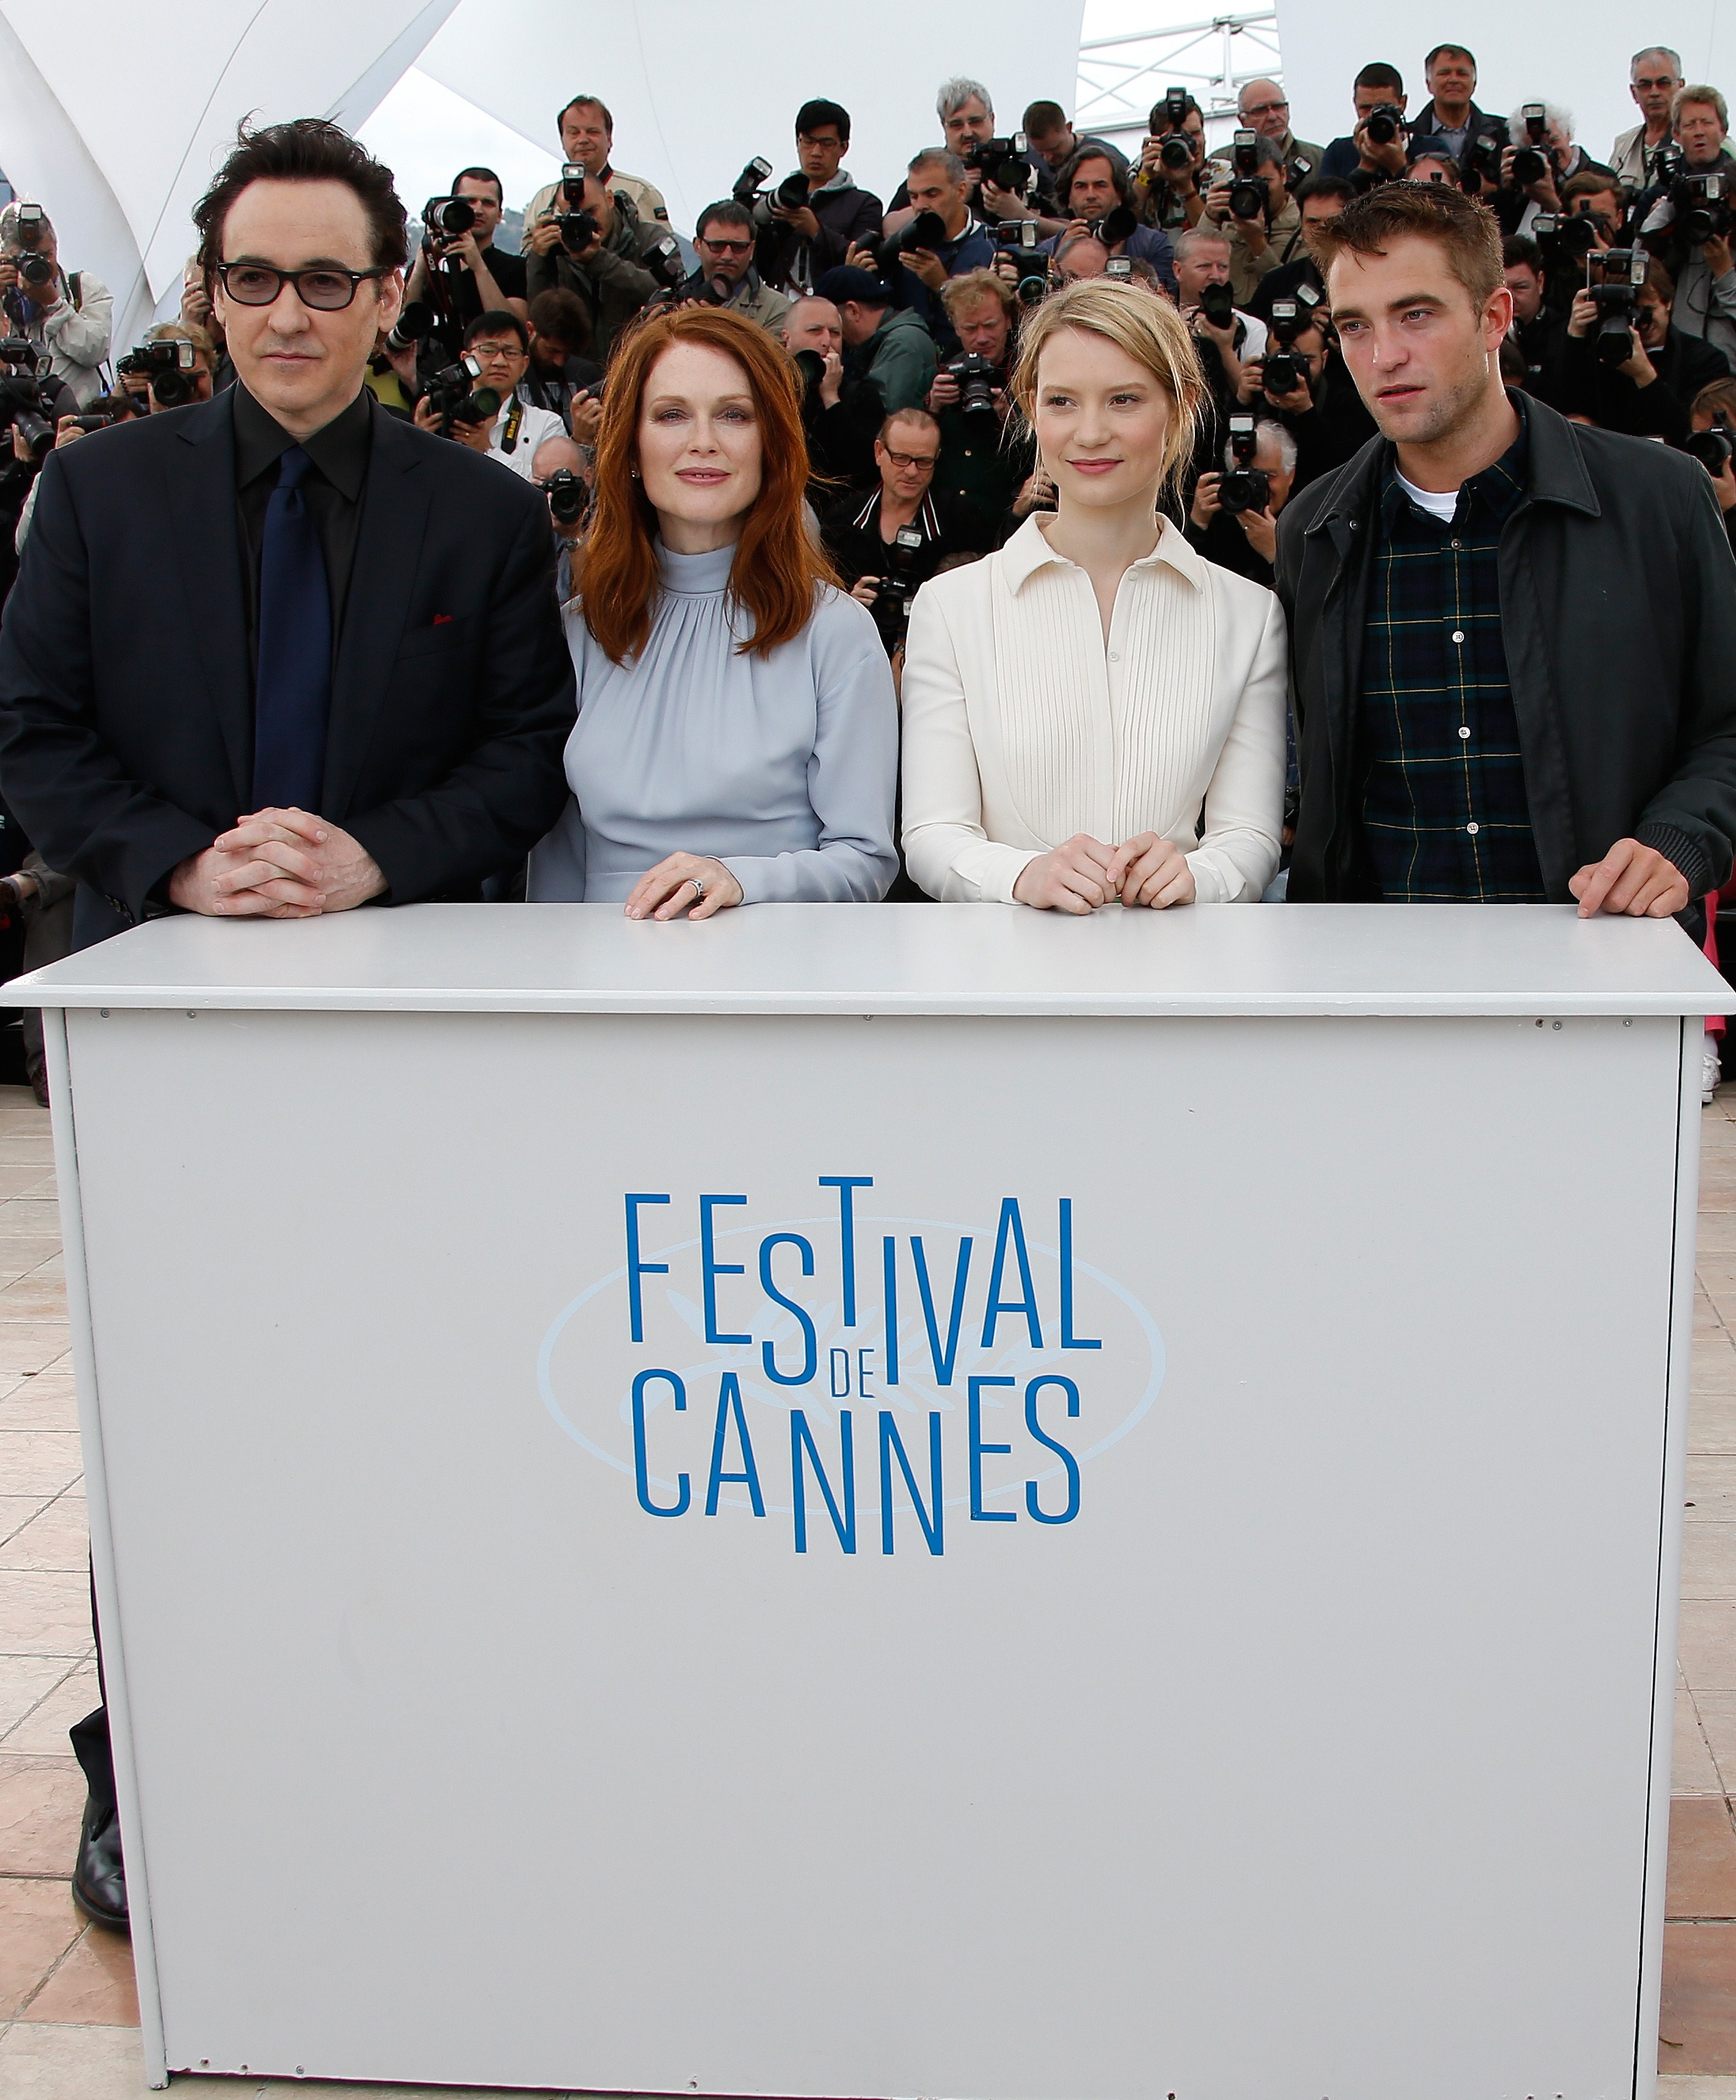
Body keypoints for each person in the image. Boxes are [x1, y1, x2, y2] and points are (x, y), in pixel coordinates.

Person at [0, 116, 575, 1934]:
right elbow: (34, 742)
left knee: (402, 1407)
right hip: (159, 1044)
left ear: (391, 297)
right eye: (254, 278)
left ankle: (398, 1741)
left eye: (328, 279)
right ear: (207, 292)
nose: (289, 314)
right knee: (167, 1422)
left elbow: (525, 757)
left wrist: (377, 856)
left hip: (398, 1048)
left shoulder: (480, 513)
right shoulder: (100, 493)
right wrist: (179, 861)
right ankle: (148, 1770)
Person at [1274, 180, 1736, 927]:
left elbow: (1726, 723)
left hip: (1605, 956)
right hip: (1381, 971)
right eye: (1355, 326)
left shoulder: (1660, 496)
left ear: (1494, 317)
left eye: (1416, 314)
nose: (1384, 355)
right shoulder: (1312, 529)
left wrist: (1676, 841)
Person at [901, 278, 1285, 910]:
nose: (1090, 432)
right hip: (1003, 961)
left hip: (1177, 958)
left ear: (1181, 406)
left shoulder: (1249, 614)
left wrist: (1200, 876)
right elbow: (933, 832)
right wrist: (1022, 876)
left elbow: (1249, 836)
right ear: (1031, 409)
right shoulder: (950, 607)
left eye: (1124, 400)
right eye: (1062, 401)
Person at [527, 305, 896, 911]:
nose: (704, 441)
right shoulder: (578, 630)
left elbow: (864, 861)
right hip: (603, 956)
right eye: (672, 414)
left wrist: (742, 881)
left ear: (770, 443)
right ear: (631, 445)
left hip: (774, 955)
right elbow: (558, 862)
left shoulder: (835, 633)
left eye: (734, 415)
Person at [821, 407, 992, 655]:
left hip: (938, 653)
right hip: (857, 651)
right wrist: (848, 605)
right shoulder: (843, 520)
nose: (912, 472)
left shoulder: (960, 519)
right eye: (901, 458)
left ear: (937, 459)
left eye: (924, 462)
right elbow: (819, 608)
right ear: (879, 452)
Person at [1561, 256, 1730, 441]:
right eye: (1633, 314)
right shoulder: (1600, 353)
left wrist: (1645, 377)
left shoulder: (1705, 360)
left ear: (1668, 303)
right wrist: (1575, 336)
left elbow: (1690, 434)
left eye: (1648, 310)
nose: (1643, 323)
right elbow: (1564, 408)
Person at [524, 168, 666, 366]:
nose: (586, 222)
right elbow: (540, 318)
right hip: (577, 371)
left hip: (637, 365)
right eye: (573, 216)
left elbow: (667, 293)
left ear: (610, 199)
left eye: (591, 212)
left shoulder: (648, 238)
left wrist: (600, 261)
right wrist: (538, 258)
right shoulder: (557, 247)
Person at [927, 270, 1033, 529]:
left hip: (1007, 519)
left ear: (1008, 321)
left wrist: (1011, 421)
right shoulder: (941, 376)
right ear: (956, 329)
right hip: (948, 522)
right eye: (970, 328)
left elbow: (1042, 459)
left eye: (990, 325)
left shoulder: (1033, 375)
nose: (982, 338)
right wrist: (932, 410)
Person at [1640, 87, 1736, 365]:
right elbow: (1641, 256)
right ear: (1676, 134)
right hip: (1681, 355)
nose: (1699, 132)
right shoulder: (1666, 191)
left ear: (1723, 130)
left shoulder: (1734, 191)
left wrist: (1725, 271)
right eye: (1690, 125)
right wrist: (1674, 201)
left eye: (1707, 123)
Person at [414, 311, 566, 479]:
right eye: (488, 350)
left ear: (524, 365)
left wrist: (488, 450)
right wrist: (420, 442)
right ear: (466, 359)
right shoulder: (445, 415)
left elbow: (547, 487)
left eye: (511, 353)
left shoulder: (547, 424)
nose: (500, 362)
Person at [755, 100, 884, 294]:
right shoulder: (776, 201)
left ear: (844, 147)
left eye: (827, 144)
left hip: (833, 304)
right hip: (778, 305)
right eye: (808, 142)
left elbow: (864, 264)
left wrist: (816, 231)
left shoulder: (864, 204)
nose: (816, 152)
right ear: (798, 143)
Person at [404, 167, 528, 354]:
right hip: (425, 365)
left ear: (499, 215)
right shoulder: (429, 265)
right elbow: (399, 322)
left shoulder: (515, 268)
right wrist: (422, 265)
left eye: (488, 203)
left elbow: (513, 331)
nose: (478, 210)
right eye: (469, 201)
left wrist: (478, 267)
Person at [0, 204, 111, 408]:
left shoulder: (83, 288)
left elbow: (95, 352)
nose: (36, 265)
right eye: (23, 259)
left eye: (46, 255)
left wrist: (54, 304)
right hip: (20, 420)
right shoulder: (4, 298)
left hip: (78, 417)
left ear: (56, 246)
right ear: (6, 257)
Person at [524, 94, 668, 231]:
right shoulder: (543, 201)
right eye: (574, 133)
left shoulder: (640, 193)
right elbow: (527, 249)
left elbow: (663, 247)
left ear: (609, 138)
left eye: (592, 132)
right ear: (562, 140)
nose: (583, 140)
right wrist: (539, 246)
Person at [782, 294, 879, 497]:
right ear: (787, 338)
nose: (827, 341)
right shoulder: (770, 388)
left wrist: (831, 399)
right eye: (815, 331)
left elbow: (864, 469)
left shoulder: (862, 393)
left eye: (835, 333)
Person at [889, 151, 994, 334]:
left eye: (932, 194)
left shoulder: (991, 245)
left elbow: (989, 325)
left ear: (961, 191)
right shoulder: (901, 248)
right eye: (914, 196)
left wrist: (943, 286)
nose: (920, 205)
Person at [1187, 415, 1297, 586]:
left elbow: (1310, 595)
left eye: (1267, 476)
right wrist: (1197, 525)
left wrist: (1276, 552)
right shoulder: (1218, 518)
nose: (1255, 487)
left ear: (1291, 476)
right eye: (1246, 477)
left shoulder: (1305, 522)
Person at [815, 264, 939, 414]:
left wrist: (831, 394)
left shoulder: (902, 344)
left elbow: (883, 419)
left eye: (834, 328)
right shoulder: (888, 342)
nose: (829, 338)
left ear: (853, 311)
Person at [1200, 132, 1301, 302]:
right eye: (1245, 182)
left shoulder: (1303, 226)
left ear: (1284, 174)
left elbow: (1289, 291)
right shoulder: (1226, 217)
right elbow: (1194, 267)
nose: (1255, 191)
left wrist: (1257, 242)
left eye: (1265, 182)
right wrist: (1210, 217)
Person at [1245, 174, 1352, 320]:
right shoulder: (1275, 283)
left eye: (1333, 222)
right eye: (1313, 222)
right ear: (1301, 227)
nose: (1322, 231)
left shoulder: (1376, 279)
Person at [683, 201, 791, 332]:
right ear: (698, 246)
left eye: (738, 247)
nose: (727, 256)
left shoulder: (776, 309)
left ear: (751, 249)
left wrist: (711, 330)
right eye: (717, 246)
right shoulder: (675, 299)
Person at [519, 288, 602, 434]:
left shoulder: (586, 373)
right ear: (530, 330)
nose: (560, 362)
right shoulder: (510, 373)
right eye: (552, 350)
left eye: (568, 353)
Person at [1411, 45, 1507, 166]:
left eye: (1462, 73)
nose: (1454, 80)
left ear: (1474, 83)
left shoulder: (1505, 134)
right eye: (1444, 73)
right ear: (1428, 84)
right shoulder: (1408, 139)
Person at [1501, 236, 1570, 406]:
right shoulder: (1482, 334)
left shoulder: (1564, 332)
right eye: (1501, 289)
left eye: (1520, 288)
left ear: (1540, 283)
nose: (1510, 299)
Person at [1321, 64, 1411, 184]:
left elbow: (1431, 195)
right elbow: (1329, 196)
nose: (1372, 115)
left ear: (1402, 103)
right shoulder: (1339, 153)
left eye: (1383, 107)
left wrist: (1400, 168)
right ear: (1355, 104)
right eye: (1365, 108)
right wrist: (1364, 168)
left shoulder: (1429, 149)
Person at [1133, 91, 1208, 233]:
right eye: (1180, 139)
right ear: (1158, 140)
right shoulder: (1144, 167)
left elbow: (1210, 235)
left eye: (1196, 133)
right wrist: (1145, 178)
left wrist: (1186, 187)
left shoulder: (1220, 172)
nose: (1192, 143)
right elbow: (1125, 224)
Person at [1613, 48, 1685, 193]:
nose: (1654, 92)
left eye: (1663, 83)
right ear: (1634, 93)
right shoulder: (1623, 145)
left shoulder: (1700, 138)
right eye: (1645, 85)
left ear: (1680, 87)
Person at [1237, 79, 1325, 187]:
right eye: (1261, 110)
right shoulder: (1223, 164)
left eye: (1278, 107)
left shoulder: (1319, 159)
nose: (1272, 117)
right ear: (1242, 120)